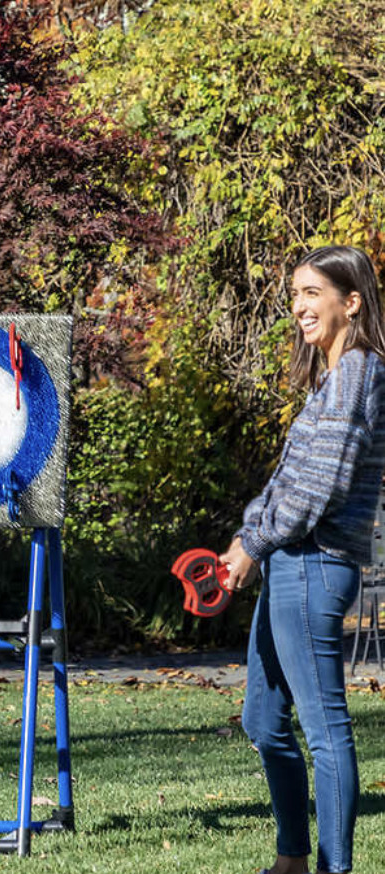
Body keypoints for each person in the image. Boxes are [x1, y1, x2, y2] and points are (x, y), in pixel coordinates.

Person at [220, 245, 385, 874]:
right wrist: (247, 541)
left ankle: (332, 869)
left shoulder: (358, 373)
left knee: (324, 728)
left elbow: (322, 487)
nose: (298, 307)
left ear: (352, 301)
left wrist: (253, 545)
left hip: (315, 565)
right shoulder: (334, 376)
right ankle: (292, 860)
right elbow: (290, 479)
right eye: (295, 293)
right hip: (289, 561)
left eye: (311, 292)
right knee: (264, 721)